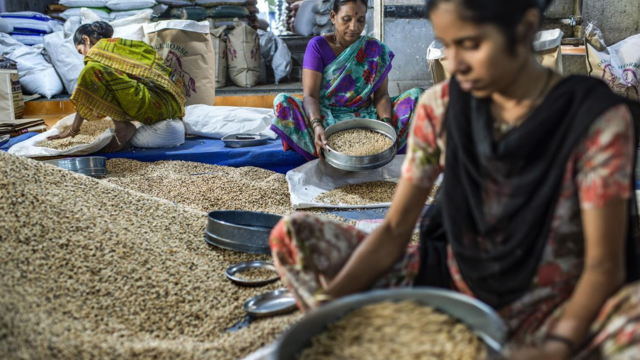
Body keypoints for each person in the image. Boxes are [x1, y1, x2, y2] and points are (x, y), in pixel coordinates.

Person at [269, 0, 640, 359]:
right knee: (295, 237)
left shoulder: (595, 120)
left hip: (555, 305)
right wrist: (328, 307)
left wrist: (557, 344)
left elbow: (603, 266)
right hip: (453, 286)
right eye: (447, 44)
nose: (455, 64)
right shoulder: (442, 107)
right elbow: (396, 228)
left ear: (525, 27)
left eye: (471, 44)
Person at [270, 0, 423, 160]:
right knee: (282, 101)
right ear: (333, 16)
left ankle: (382, 147)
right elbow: (310, 96)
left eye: (360, 20)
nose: (354, 27)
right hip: (326, 117)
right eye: (346, 19)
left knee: (418, 96)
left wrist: (386, 125)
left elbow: (381, 96)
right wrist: (317, 126)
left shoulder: (374, 49)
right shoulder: (318, 46)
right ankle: (321, 142)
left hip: (367, 119)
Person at [47, 21, 186, 152]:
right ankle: (124, 125)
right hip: (172, 103)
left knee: (91, 72)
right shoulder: (127, 45)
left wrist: (73, 130)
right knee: (98, 74)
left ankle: (122, 128)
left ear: (86, 39)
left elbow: (85, 91)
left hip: (152, 108)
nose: (83, 55)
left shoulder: (96, 56)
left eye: (80, 50)